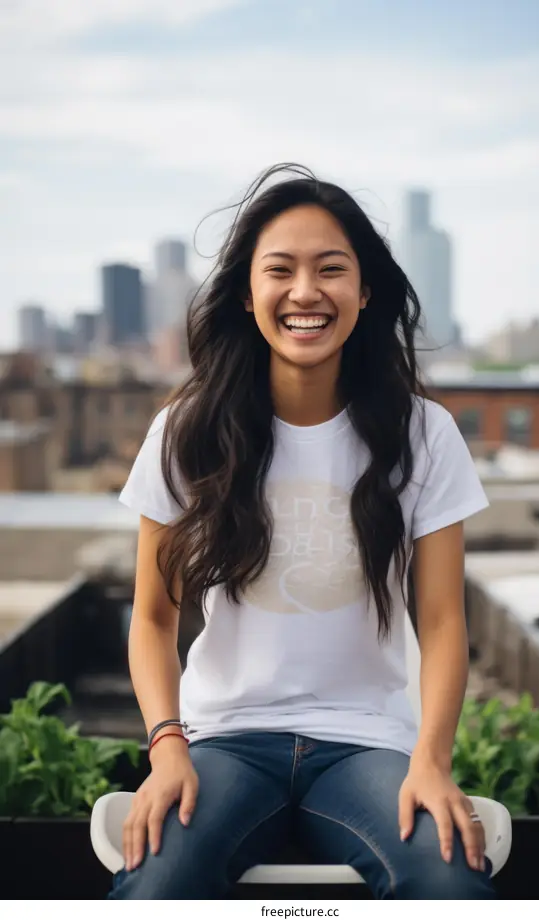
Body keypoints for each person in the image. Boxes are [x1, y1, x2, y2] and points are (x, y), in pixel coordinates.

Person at [109, 164, 495, 900]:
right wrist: (166, 747)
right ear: (249, 295)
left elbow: (444, 623)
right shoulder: (186, 432)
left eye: (332, 270)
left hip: (367, 745)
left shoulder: (425, 434)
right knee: (155, 884)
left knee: (450, 881)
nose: (306, 292)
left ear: (366, 291)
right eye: (279, 270)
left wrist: (432, 761)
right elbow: (153, 619)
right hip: (223, 742)